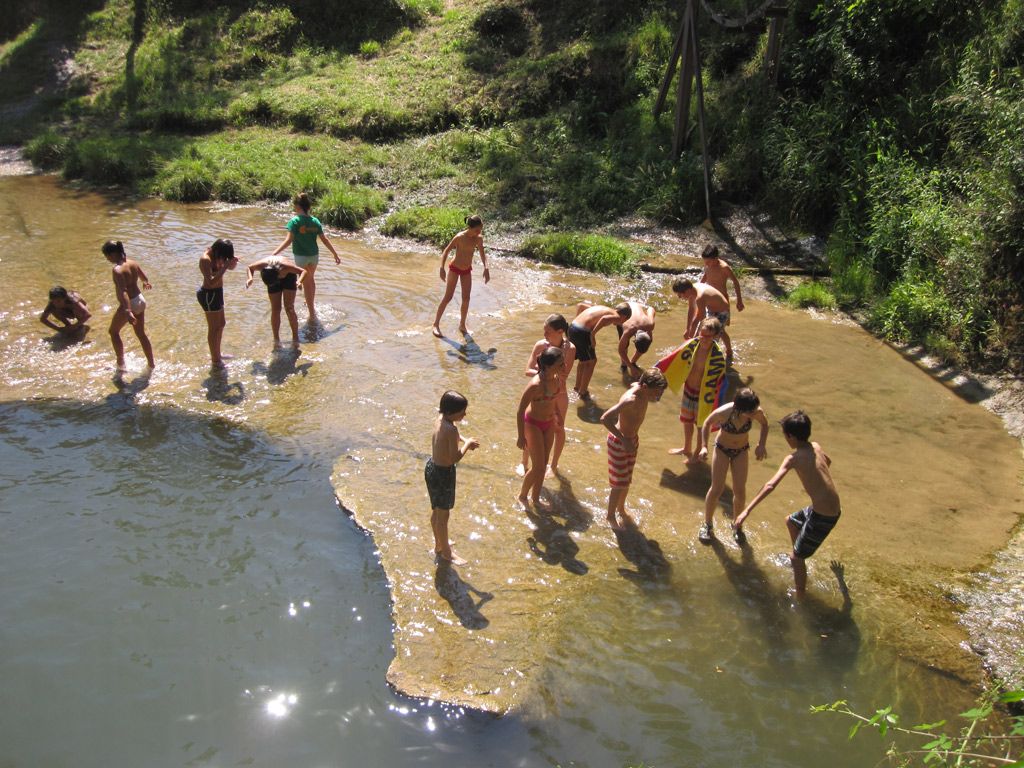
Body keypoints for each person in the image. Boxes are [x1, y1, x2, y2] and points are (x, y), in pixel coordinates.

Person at [733, 410, 841, 595]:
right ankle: (799, 557)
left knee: (795, 558)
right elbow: (827, 461)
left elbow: (770, 485)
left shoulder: (793, 459)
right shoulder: (815, 446)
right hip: (829, 508)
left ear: (790, 437)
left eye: (784, 435)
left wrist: (746, 511)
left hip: (823, 516)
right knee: (791, 521)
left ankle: (800, 596)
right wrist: (816, 482)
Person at [696, 388, 769, 543]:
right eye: (750, 411)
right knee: (717, 489)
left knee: (740, 491)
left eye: (754, 409)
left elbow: (765, 424)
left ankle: (737, 525)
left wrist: (761, 444)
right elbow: (707, 422)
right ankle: (707, 524)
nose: (754, 413)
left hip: (741, 451)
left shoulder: (756, 412)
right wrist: (704, 446)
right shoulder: (725, 412)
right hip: (722, 449)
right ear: (739, 407)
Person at [601, 368, 668, 530]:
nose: (657, 396)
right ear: (645, 387)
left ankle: (621, 509)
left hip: (631, 440)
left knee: (626, 479)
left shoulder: (641, 387)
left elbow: (635, 382)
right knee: (618, 483)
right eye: (656, 392)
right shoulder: (631, 400)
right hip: (619, 442)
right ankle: (610, 517)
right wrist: (624, 440)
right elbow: (605, 418)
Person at [660, 317, 727, 464]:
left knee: (701, 423)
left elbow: (721, 382)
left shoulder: (718, 356)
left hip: (704, 394)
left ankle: (698, 452)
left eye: (708, 337)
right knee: (686, 420)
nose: (703, 339)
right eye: (701, 335)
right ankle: (686, 447)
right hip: (689, 389)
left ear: (716, 337)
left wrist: (719, 403)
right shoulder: (691, 345)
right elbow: (674, 359)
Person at [517, 314, 576, 478]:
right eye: (544, 330)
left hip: (559, 393)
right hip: (540, 391)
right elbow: (527, 370)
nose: (544, 335)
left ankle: (554, 465)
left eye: (548, 332)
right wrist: (544, 372)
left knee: (559, 428)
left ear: (560, 331)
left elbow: (563, 375)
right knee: (532, 425)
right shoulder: (540, 345)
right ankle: (524, 462)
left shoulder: (570, 348)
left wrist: (546, 369)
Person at [426, 390, 480, 565]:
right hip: (443, 474)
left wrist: (464, 440)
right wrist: (467, 446)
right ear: (450, 412)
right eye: (461, 412)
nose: (464, 414)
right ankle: (447, 553)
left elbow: (453, 436)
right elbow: (455, 457)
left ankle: (439, 544)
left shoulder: (440, 420)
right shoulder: (451, 429)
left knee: (437, 510)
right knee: (444, 516)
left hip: (431, 469)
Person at [271, 192, 340, 321]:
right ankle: (308, 302)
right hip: (314, 256)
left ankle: (311, 313)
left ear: (297, 206)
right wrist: (335, 254)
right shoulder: (315, 221)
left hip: (301, 257)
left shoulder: (295, 221)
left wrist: (275, 253)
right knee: (310, 279)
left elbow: (288, 240)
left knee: (306, 281)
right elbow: (324, 240)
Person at [516, 346, 564, 511]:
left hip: (548, 423)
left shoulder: (556, 378)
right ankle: (522, 496)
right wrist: (521, 436)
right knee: (537, 467)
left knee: (543, 464)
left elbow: (554, 398)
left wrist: (557, 413)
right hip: (533, 424)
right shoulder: (536, 384)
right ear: (549, 366)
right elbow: (520, 409)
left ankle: (535, 499)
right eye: (560, 364)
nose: (563, 366)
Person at [432, 214, 490, 338]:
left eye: (480, 231)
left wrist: (486, 268)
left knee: (466, 298)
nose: (478, 233)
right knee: (448, 297)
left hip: (466, 270)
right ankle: (436, 324)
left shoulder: (478, 239)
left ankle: (462, 325)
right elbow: (446, 251)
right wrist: (442, 268)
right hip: (454, 269)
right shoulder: (459, 237)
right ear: (469, 227)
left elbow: (482, 254)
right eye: (476, 230)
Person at [102, 240, 155, 371]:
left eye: (107, 256)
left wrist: (127, 311)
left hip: (129, 304)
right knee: (141, 334)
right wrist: (145, 283)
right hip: (140, 300)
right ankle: (151, 364)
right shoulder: (132, 263)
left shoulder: (117, 269)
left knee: (113, 332)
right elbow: (144, 277)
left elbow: (123, 291)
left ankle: (120, 364)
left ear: (113, 254)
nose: (107, 259)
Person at [567, 302, 632, 401]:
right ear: (624, 316)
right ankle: (583, 392)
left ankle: (578, 387)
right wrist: (592, 335)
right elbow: (604, 319)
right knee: (592, 361)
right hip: (582, 332)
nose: (621, 323)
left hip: (573, 327)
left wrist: (577, 324)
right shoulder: (616, 316)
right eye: (624, 321)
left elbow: (580, 306)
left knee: (584, 360)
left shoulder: (603, 308)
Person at [245, 256, 307, 349]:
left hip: (289, 277)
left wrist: (299, 281)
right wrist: (250, 278)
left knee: (289, 308)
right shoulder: (263, 266)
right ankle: (276, 339)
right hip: (271, 277)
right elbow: (250, 267)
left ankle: (295, 337)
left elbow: (303, 271)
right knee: (276, 308)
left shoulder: (285, 266)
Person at [196, 238, 238, 368]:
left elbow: (231, 268)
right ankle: (215, 360)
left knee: (221, 324)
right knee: (213, 329)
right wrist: (225, 266)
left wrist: (232, 262)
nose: (223, 260)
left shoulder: (218, 255)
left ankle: (217, 354)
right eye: (224, 257)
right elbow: (211, 282)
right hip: (208, 295)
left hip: (218, 292)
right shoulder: (205, 260)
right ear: (218, 251)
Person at [698, 245, 744, 358]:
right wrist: (698, 287)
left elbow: (735, 282)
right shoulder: (708, 264)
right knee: (718, 329)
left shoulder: (724, 267)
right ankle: (729, 350)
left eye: (708, 262)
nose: (707, 264)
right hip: (709, 300)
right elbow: (705, 276)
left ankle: (717, 354)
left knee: (717, 329)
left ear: (716, 258)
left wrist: (739, 301)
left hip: (721, 300)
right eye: (705, 262)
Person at [672, 278, 733, 356]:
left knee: (709, 337)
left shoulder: (700, 297)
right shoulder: (692, 289)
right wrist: (688, 329)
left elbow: (702, 320)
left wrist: (698, 336)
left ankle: (716, 355)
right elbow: (691, 310)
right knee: (721, 331)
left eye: (679, 295)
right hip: (710, 308)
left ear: (687, 291)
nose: (679, 297)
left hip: (722, 312)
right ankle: (729, 350)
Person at [616, 301, 656, 379]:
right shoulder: (628, 331)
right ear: (634, 340)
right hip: (625, 309)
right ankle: (624, 365)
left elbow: (651, 309)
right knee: (625, 345)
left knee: (649, 340)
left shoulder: (650, 325)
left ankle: (633, 361)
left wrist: (649, 330)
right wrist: (631, 368)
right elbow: (621, 350)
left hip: (637, 306)